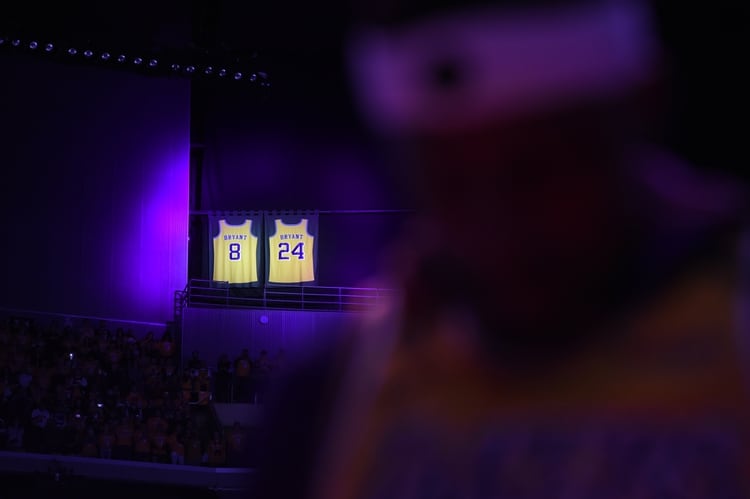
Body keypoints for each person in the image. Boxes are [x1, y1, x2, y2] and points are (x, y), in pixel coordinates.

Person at [255, 0, 750, 498]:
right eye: (449, 184)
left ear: (643, 109)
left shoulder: (733, 325)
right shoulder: (335, 391)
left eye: (537, 172)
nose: (496, 226)